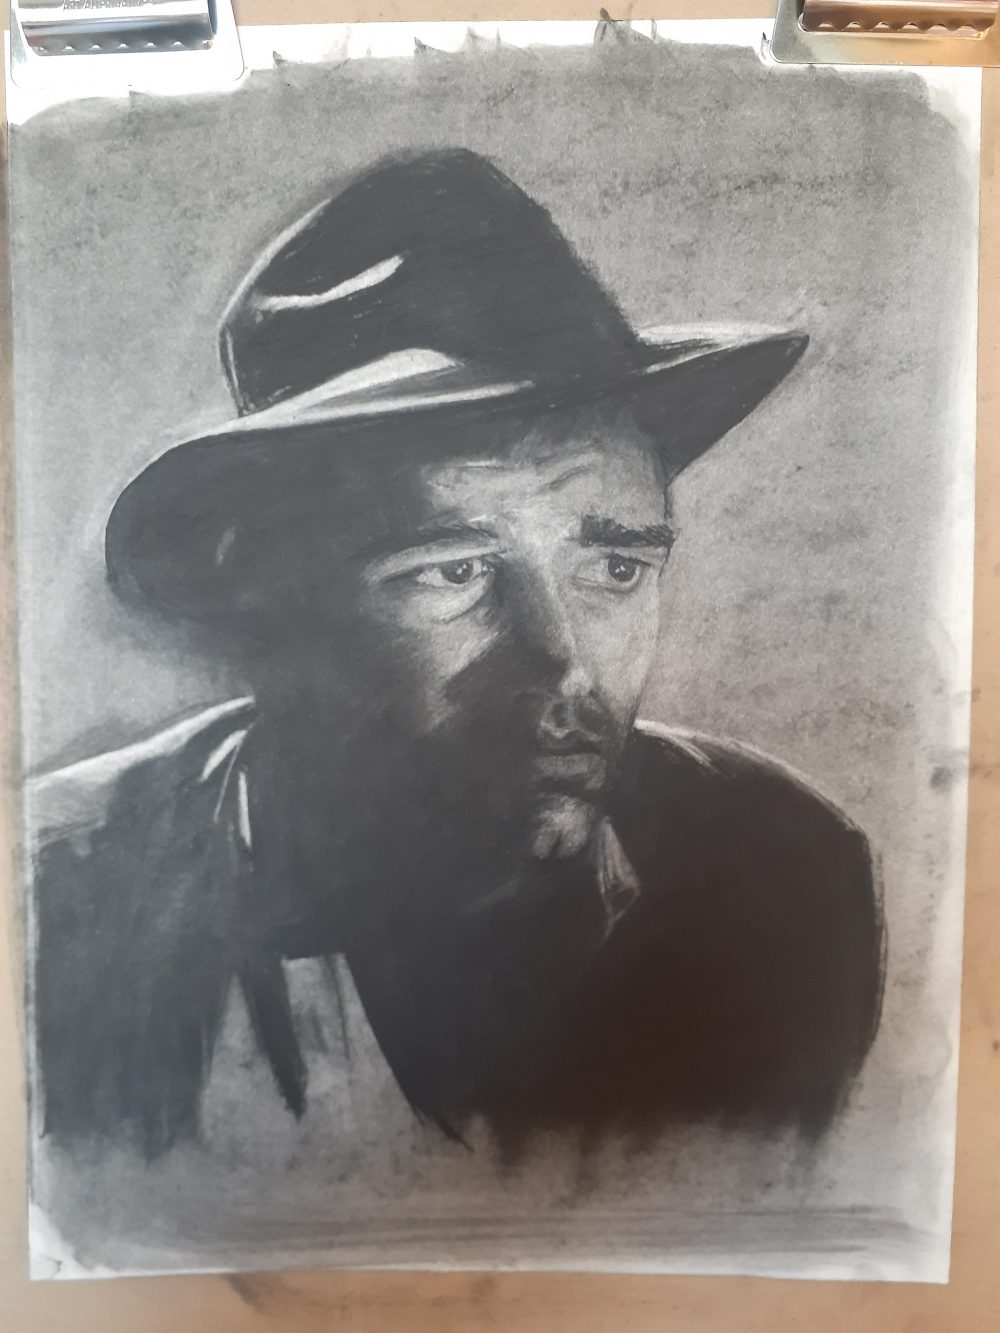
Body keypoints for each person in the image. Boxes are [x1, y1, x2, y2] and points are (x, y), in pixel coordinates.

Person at [29, 149, 885, 1163]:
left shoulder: (786, 871)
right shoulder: (57, 896)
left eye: (615, 568)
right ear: (282, 599)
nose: (565, 665)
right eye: (454, 571)